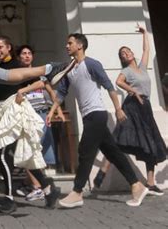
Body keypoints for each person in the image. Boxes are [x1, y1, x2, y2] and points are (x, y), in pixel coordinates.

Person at [47, 33, 149, 208]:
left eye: (69, 43)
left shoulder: (92, 64)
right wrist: (51, 111)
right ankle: (137, 185)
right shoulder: (69, 68)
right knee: (113, 153)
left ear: (80, 46)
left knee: (85, 150)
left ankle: (77, 192)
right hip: (88, 116)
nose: (66, 46)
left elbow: (109, 87)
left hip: (97, 114)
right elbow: (61, 93)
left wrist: (117, 108)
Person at [0, 37, 60, 214]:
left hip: (16, 112)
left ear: (8, 48)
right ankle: (49, 190)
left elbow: (41, 82)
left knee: (3, 155)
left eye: (0, 47)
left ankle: (9, 198)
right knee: (22, 154)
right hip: (3, 111)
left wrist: (23, 90)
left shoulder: (17, 64)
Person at [93, 25, 166, 195]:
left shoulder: (141, 67)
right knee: (120, 138)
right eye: (122, 54)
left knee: (151, 142)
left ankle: (150, 182)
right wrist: (132, 91)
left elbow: (146, 49)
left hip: (145, 107)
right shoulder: (125, 71)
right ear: (123, 60)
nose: (126, 54)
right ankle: (103, 169)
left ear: (132, 53)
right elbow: (119, 82)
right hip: (132, 106)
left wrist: (144, 34)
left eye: (127, 51)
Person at [14, 45, 64, 201]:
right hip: (29, 116)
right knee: (31, 150)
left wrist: (58, 110)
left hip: (42, 114)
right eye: (23, 54)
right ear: (19, 57)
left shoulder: (40, 74)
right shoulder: (19, 75)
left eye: (29, 53)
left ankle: (34, 185)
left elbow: (50, 91)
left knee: (37, 151)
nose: (27, 56)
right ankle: (35, 186)